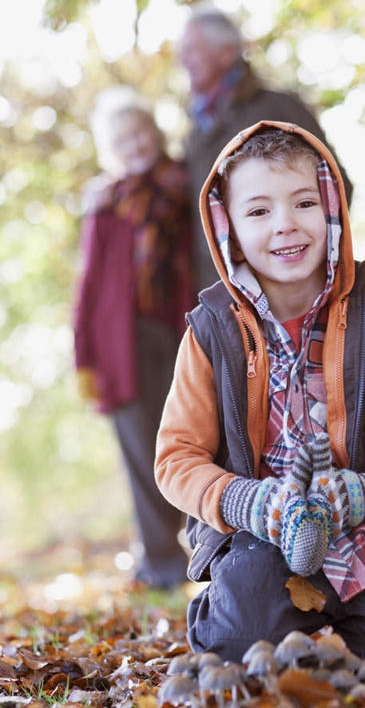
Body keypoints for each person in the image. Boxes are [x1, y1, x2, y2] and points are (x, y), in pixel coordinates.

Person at [154, 120, 365, 661]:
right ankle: (232, 612)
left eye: (303, 203)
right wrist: (248, 501)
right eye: (259, 211)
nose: (285, 225)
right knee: (237, 647)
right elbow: (175, 459)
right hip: (262, 534)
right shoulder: (211, 331)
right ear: (226, 226)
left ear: (331, 209)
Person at [73, 92, 196, 589]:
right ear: (110, 150)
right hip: (121, 344)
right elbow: (87, 288)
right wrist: (84, 359)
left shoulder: (186, 186)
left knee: (192, 437)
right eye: (122, 139)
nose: (136, 144)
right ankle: (161, 563)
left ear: (157, 131)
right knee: (139, 450)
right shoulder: (104, 206)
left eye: (141, 131)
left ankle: (209, 547)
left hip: (182, 330)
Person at [174, 5, 354, 291]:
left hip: (292, 293)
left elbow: (337, 185)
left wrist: (302, 267)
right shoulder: (196, 132)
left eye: (192, 50)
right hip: (223, 295)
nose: (182, 59)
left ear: (226, 52)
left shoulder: (278, 108)